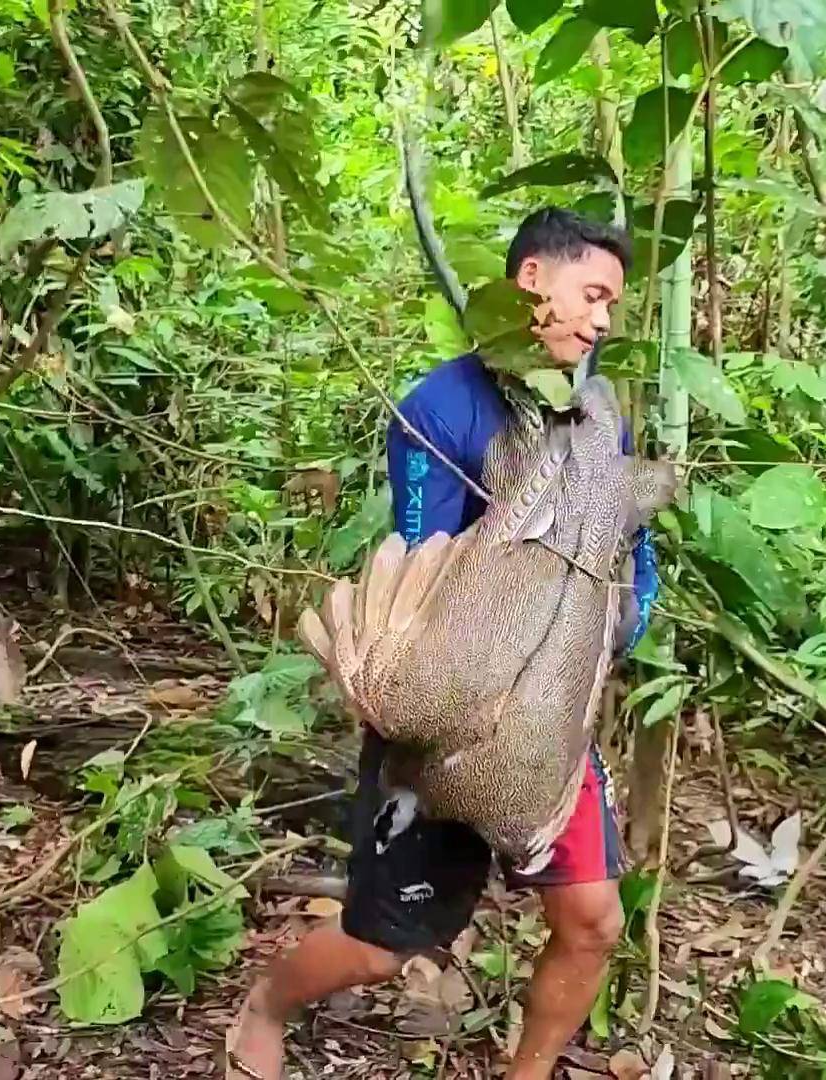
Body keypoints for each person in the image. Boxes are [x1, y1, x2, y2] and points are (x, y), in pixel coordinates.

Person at [227, 207, 660, 1080]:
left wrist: (631, 608)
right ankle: (266, 1005)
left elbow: (622, 535)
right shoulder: (439, 408)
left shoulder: (597, 410)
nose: (604, 319)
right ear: (530, 280)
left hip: (554, 711)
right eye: (594, 295)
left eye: (614, 304)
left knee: (592, 920)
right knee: (383, 948)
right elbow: (425, 563)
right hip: (448, 712)